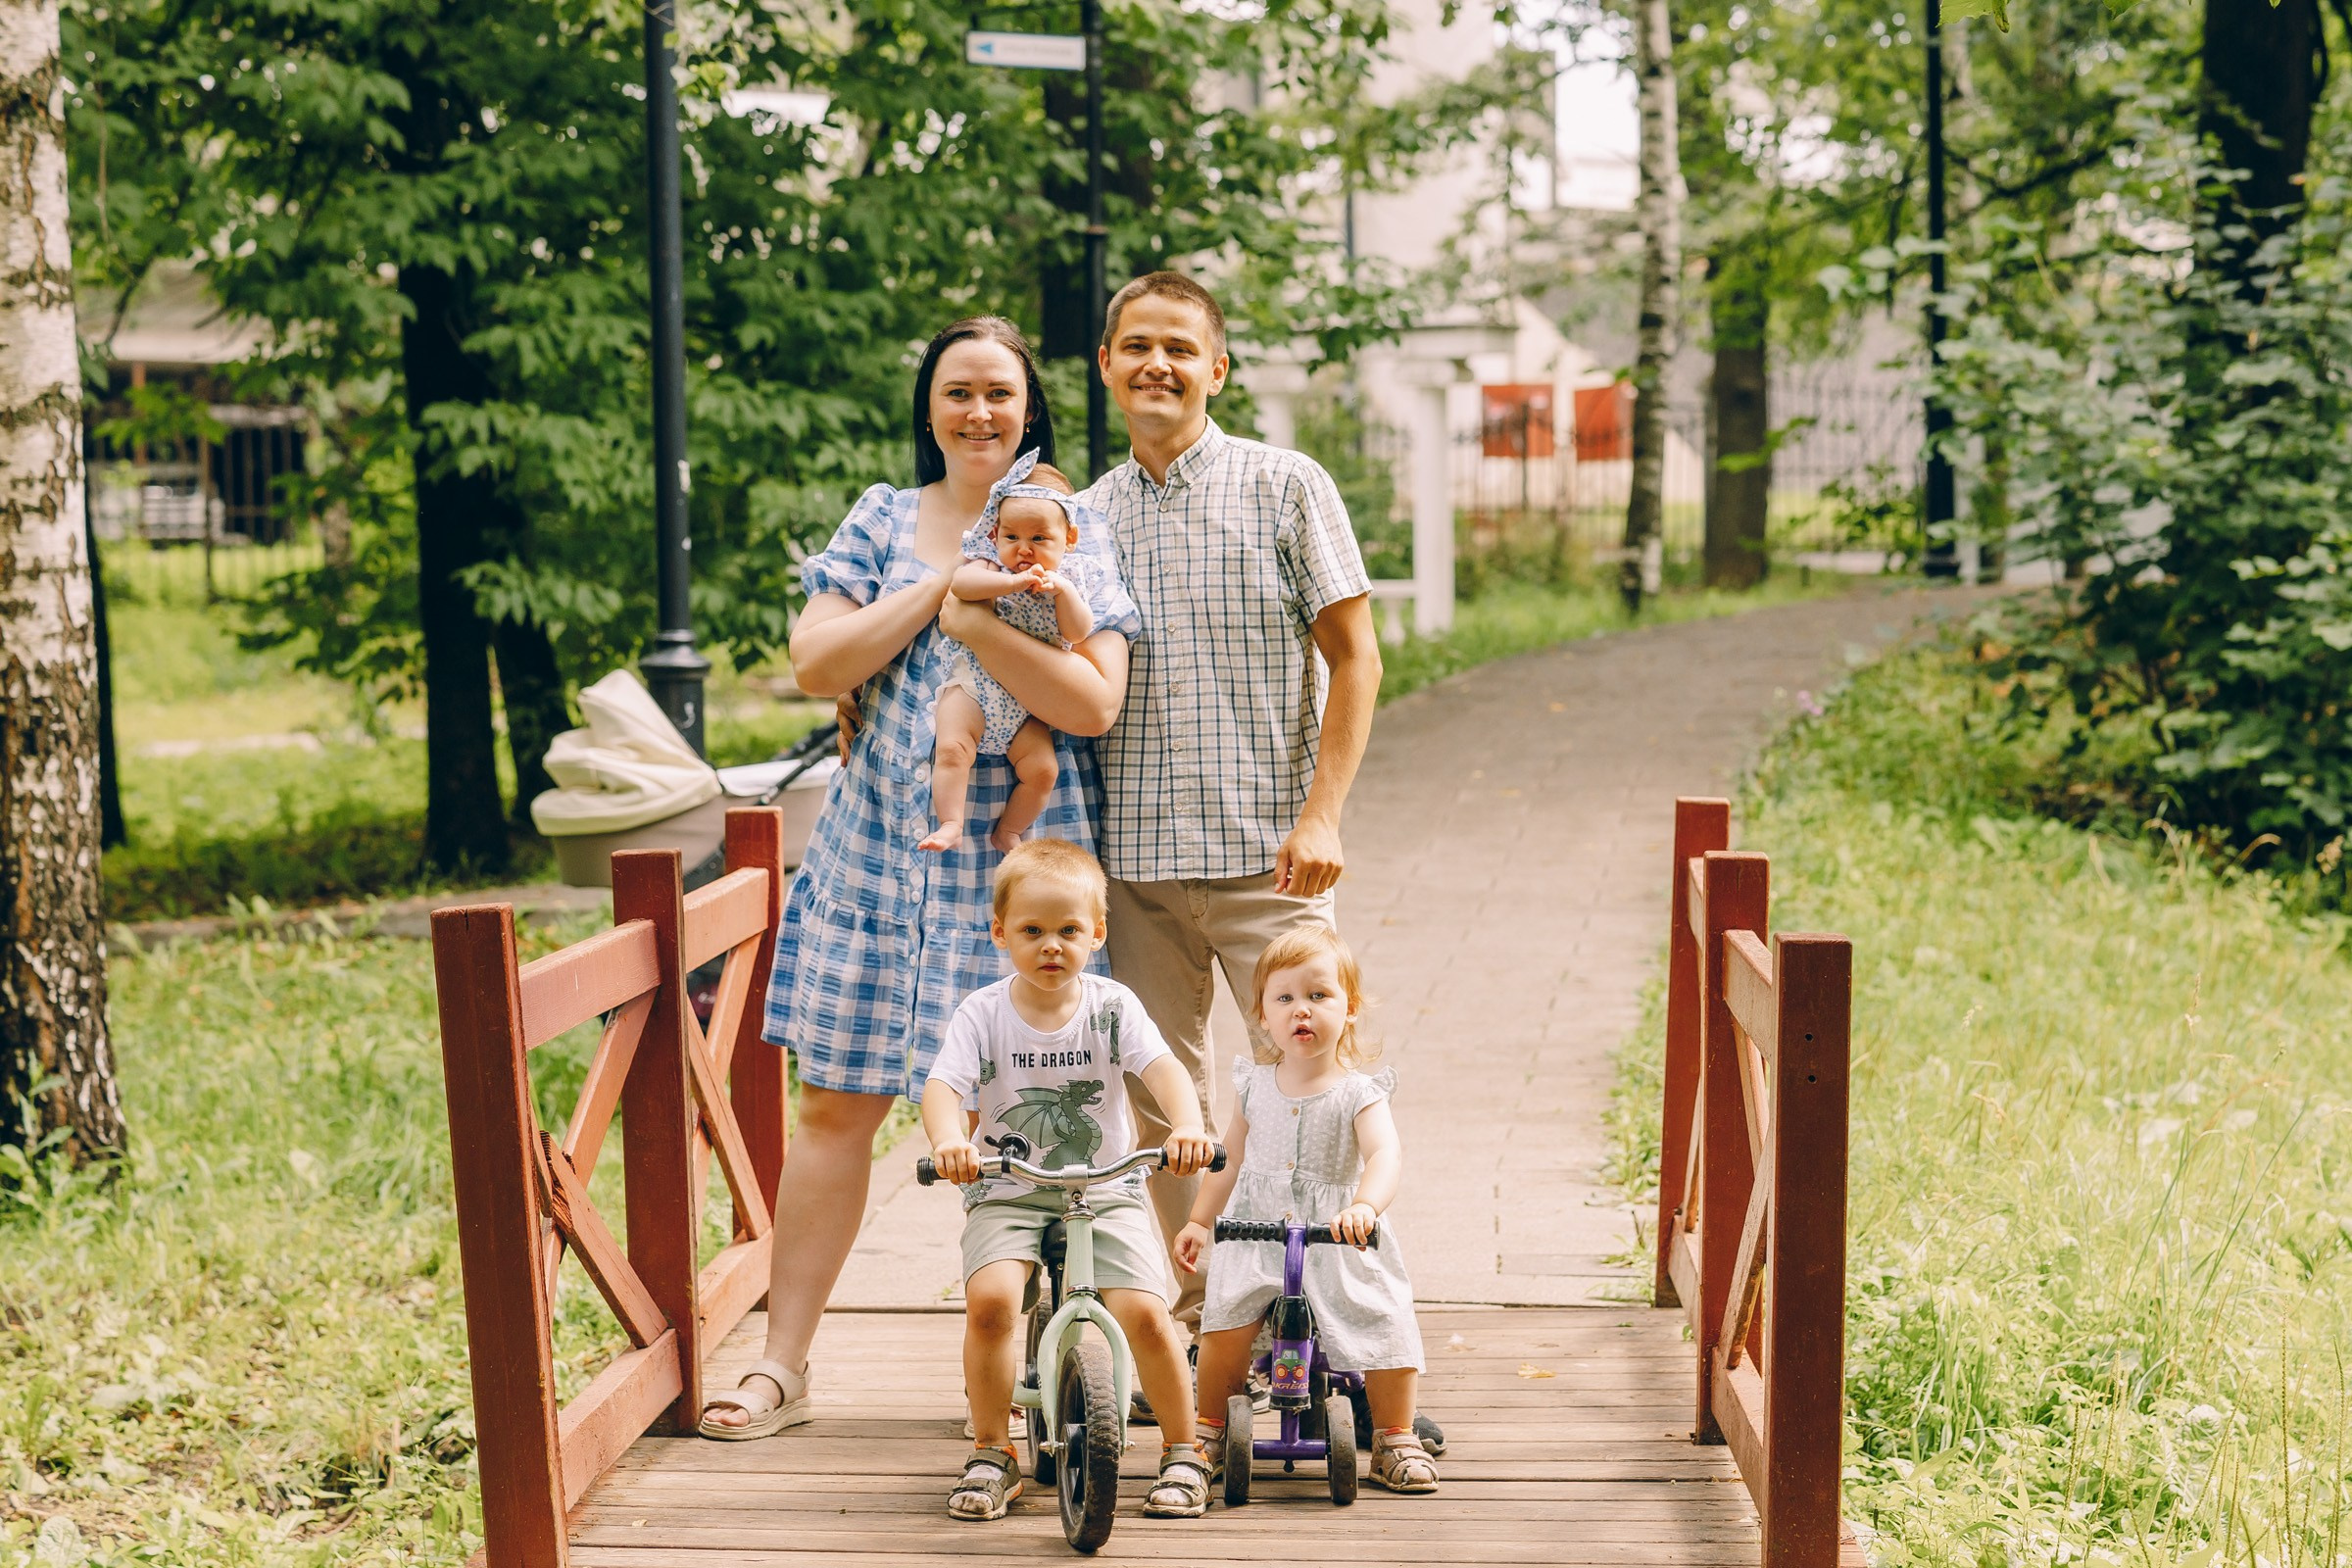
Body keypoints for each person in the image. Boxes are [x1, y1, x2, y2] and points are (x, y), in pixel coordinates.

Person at [700, 318, 1141, 1439]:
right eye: (957, 391)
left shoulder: (1073, 524)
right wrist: (949, 584)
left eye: (1000, 392)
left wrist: (977, 630)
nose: (979, 411)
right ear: (930, 407)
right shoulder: (883, 518)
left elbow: (1095, 701)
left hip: (1020, 868)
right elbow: (817, 661)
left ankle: (1038, 1374)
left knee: (1038, 1118)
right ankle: (782, 1364)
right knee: (832, 1106)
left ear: (1031, 408)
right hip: (880, 860)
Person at [1080, 271, 1384, 1338]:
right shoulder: (1083, 518)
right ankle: (1207, 1317)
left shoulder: (1286, 485)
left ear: (1216, 367)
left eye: (1179, 347)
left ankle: (1322, 1315)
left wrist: (1324, 814)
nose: (1156, 365)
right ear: (1107, 365)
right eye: (1136, 346)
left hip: (1274, 861)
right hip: (1133, 867)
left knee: (1308, 1090)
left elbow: (1356, 657)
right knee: (1165, 1104)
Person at [921, 839, 1218, 1519]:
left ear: (1097, 934)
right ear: (1000, 933)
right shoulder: (982, 1013)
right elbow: (943, 1086)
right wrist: (948, 1140)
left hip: (1105, 1188)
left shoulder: (1112, 1007)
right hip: (1009, 1187)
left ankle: (1184, 1450)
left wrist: (1186, 1125)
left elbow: (1163, 1068)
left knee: (1146, 1314)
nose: (1051, 945)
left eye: (1068, 930)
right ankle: (992, 1451)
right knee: (993, 1303)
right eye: (1032, 930)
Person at [1174, 923, 1439, 1494]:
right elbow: (1228, 1159)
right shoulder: (1254, 1086)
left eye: (1319, 995)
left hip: (1337, 1237)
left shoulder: (1359, 1092)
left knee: (1384, 1316)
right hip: (1258, 1236)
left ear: (1350, 1008)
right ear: (1262, 1015)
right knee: (1224, 1325)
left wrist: (1365, 1206)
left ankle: (1395, 1436)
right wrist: (1199, 1219)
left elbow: (1385, 1153)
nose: (1302, 1010)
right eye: (1285, 998)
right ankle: (1209, 1431)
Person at [921, 457, 1114, 855]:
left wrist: (1064, 593)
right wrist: (1010, 583)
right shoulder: (992, 565)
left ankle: (1009, 830)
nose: (1023, 549)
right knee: (952, 748)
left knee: (1043, 770)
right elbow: (962, 584)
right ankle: (951, 823)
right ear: (995, 534)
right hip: (974, 687)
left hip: (1027, 706)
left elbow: (1077, 632)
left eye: (1039, 538)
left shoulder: (1073, 578)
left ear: (1069, 539)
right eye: (1012, 536)